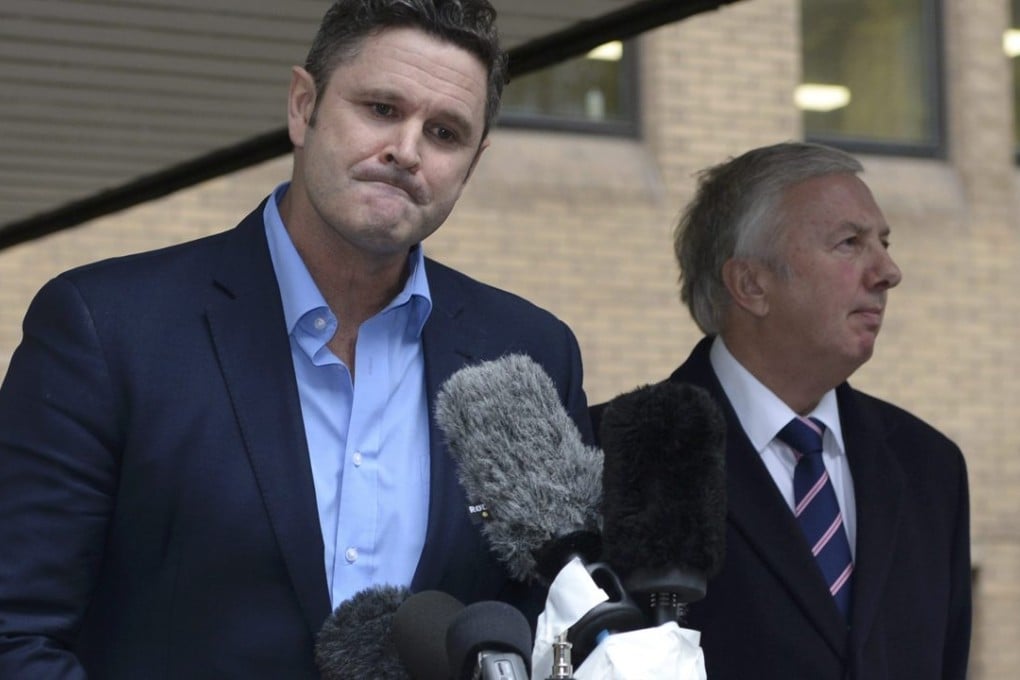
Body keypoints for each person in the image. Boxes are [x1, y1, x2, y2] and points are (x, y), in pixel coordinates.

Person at [0, 1, 594, 677]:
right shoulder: (106, 329)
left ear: (472, 161)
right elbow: (15, 632)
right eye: (378, 108)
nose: (406, 150)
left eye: (445, 132)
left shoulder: (530, 353)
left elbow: (552, 627)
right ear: (302, 106)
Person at [593, 141, 971, 678]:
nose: (888, 271)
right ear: (751, 284)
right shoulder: (616, 451)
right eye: (849, 243)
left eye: (883, 243)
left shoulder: (931, 467)